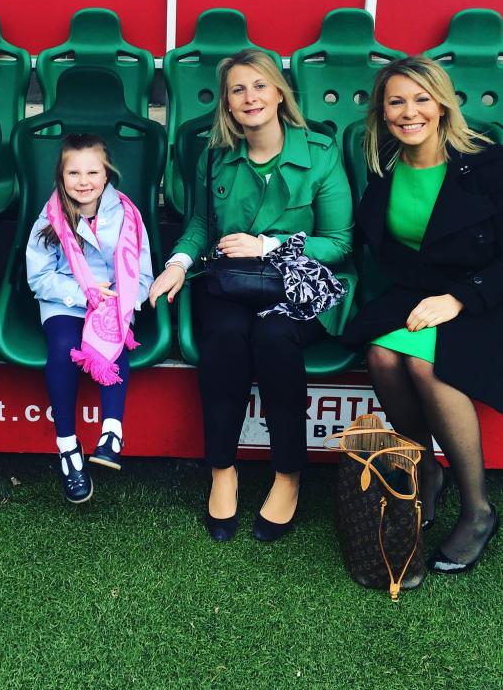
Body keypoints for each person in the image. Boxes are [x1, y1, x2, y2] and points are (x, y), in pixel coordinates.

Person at [149, 50, 353, 542]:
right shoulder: (215, 155)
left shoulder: (320, 152)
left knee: (274, 337)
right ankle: (222, 469)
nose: (250, 97)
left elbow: (341, 243)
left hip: (298, 285)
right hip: (230, 281)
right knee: (224, 335)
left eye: (259, 86)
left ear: (280, 92)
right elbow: (201, 223)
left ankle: (287, 474)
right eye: (238, 90)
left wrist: (269, 243)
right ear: (227, 104)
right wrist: (177, 264)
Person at [342, 56, 501, 574]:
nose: (409, 112)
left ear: (442, 103)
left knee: (424, 365)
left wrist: (460, 298)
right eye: (396, 101)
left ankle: (477, 509)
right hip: (418, 294)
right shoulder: (382, 166)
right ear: (382, 112)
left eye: (420, 99)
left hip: (482, 298)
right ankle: (426, 470)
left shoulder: (489, 164)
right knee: (382, 357)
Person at [26, 133, 154, 503]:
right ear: (60, 176)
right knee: (65, 346)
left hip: (114, 301)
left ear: (107, 173)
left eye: (92, 172)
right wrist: (84, 291)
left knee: (113, 339)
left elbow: (142, 273)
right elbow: (39, 278)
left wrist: (123, 304)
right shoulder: (50, 218)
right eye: (74, 173)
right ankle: (67, 446)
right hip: (65, 299)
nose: (83, 182)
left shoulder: (127, 215)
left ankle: (112, 432)